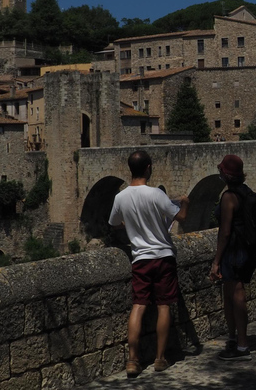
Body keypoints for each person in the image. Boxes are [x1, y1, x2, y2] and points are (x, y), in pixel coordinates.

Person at [108, 150, 189, 377]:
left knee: (139, 306)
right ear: (149, 168)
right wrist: (186, 203)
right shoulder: (156, 194)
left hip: (140, 258)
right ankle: (160, 358)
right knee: (164, 306)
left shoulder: (120, 197)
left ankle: (133, 360)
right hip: (163, 256)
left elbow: (113, 224)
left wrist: (130, 222)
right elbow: (180, 218)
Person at [209, 155, 256, 361]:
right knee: (232, 293)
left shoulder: (229, 197)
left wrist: (216, 261)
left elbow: (225, 232)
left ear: (225, 174)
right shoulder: (247, 192)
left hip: (234, 252)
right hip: (249, 250)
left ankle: (241, 344)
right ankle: (235, 339)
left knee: (235, 294)